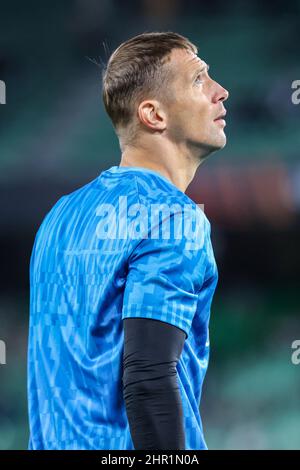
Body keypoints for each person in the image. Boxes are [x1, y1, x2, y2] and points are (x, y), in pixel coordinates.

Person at [27, 31, 229, 450]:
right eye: (198, 80)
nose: (220, 92)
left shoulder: (59, 215)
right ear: (153, 115)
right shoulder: (174, 217)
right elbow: (150, 377)